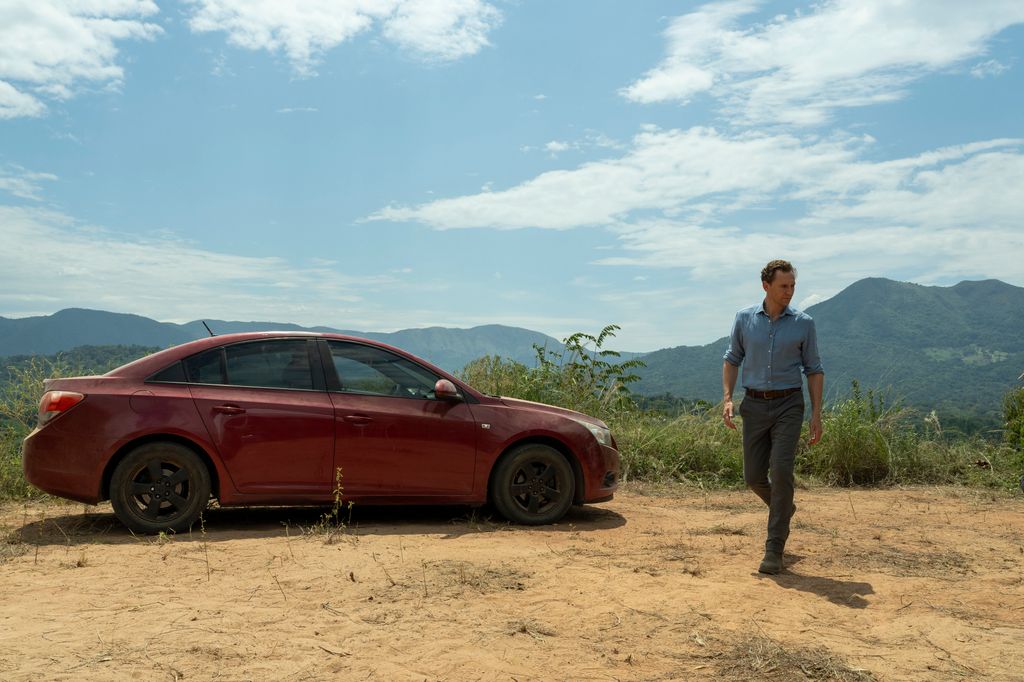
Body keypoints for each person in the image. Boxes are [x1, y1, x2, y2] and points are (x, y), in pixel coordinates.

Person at [722, 259, 824, 575]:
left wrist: (816, 413)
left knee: (781, 471)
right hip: (753, 405)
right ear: (766, 286)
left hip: (789, 405)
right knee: (753, 476)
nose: (789, 292)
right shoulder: (743, 319)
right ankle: (784, 506)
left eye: (792, 285)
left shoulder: (804, 323)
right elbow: (731, 359)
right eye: (783, 286)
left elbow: (815, 369)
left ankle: (774, 549)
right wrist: (727, 398)